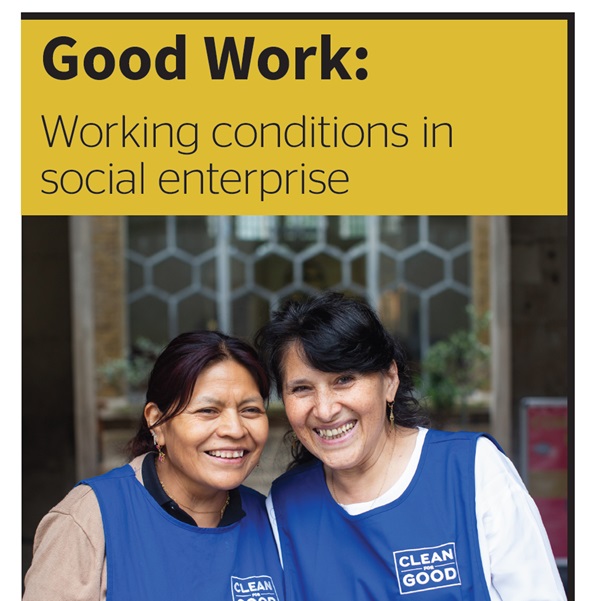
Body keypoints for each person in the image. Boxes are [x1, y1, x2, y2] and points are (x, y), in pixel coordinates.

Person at [254, 291, 566, 601]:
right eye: (302, 389)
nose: (324, 409)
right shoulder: (285, 506)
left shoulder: (471, 470)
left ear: (390, 379)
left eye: (344, 380)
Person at [23, 330, 284, 601]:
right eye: (208, 410)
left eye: (250, 410)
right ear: (157, 422)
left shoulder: (273, 521)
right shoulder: (90, 518)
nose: (235, 429)